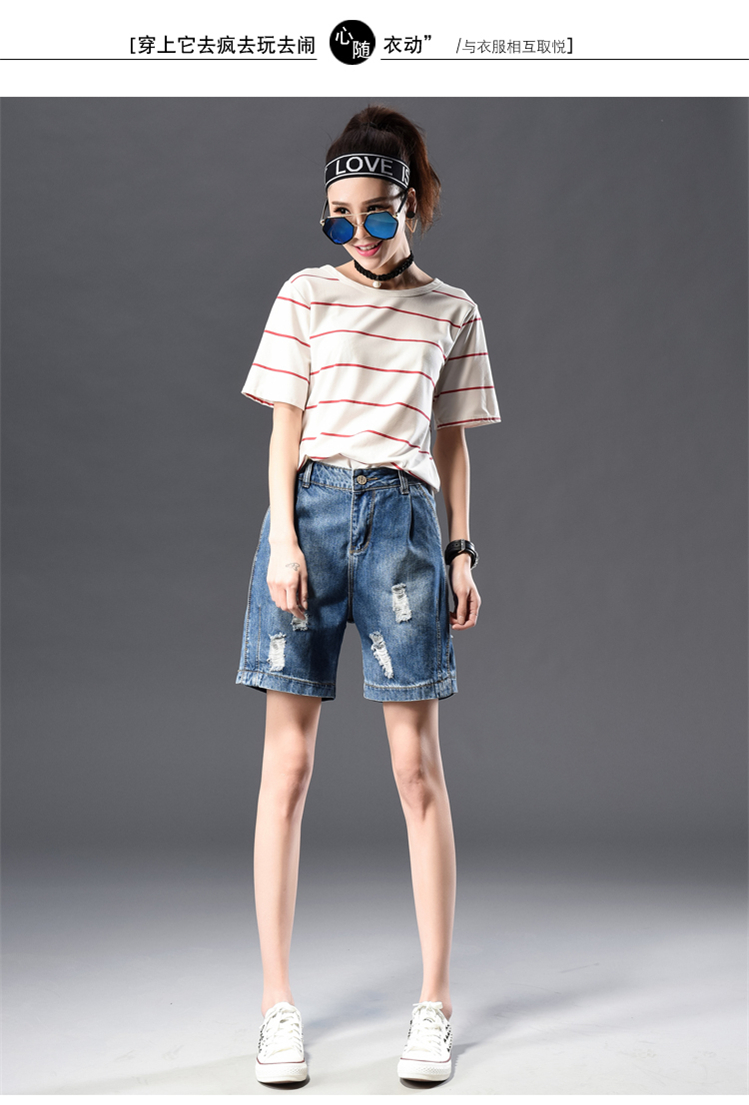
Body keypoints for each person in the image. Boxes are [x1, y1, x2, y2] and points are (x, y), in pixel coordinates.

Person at [236, 104, 500, 1085]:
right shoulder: (303, 294)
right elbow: (284, 427)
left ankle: (434, 1004)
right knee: (287, 769)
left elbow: (451, 440)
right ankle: (276, 1005)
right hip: (307, 514)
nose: (358, 234)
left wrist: (462, 554)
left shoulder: (451, 309)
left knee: (416, 770)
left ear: (412, 205)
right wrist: (283, 539)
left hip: (403, 527)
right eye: (338, 218)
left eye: (377, 214)